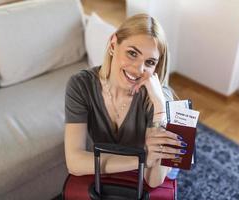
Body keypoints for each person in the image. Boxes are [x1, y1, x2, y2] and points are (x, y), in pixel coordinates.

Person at [64, 13, 186, 188]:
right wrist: (142, 157)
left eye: (150, 62)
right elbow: (74, 163)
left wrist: (159, 106)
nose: (138, 69)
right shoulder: (80, 85)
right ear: (113, 44)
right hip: (128, 164)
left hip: (140, 172)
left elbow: (153, 180)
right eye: (132, 53)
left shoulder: (158, 100)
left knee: (171, 170)